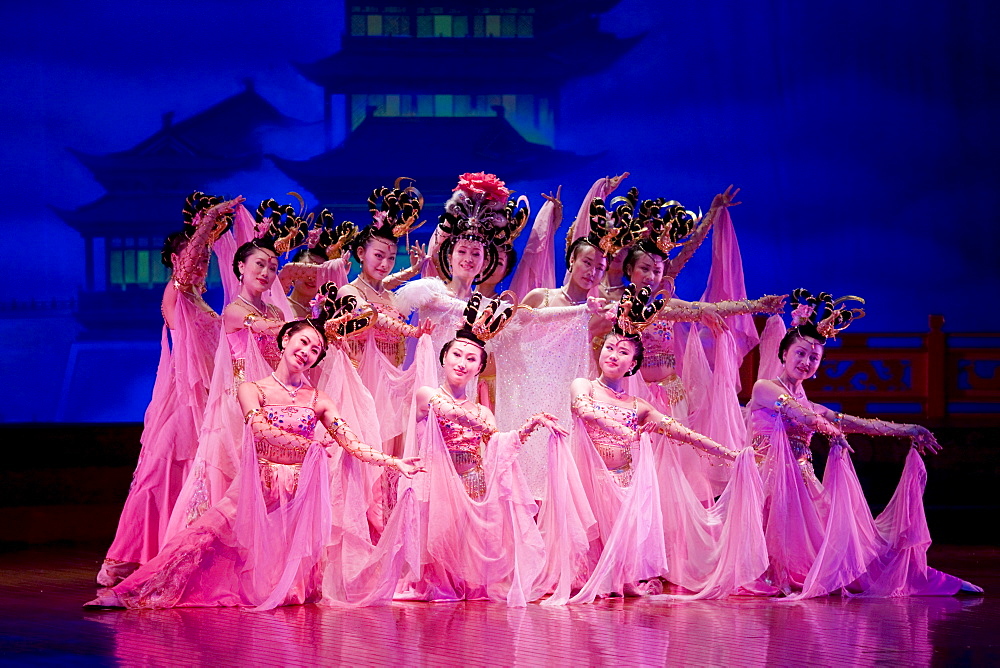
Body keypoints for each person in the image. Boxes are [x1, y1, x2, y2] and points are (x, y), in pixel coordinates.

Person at [85, 308, 423, 610]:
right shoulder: (254, 389)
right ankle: (132, 592)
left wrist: (395, 463)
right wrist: (310, 447)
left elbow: (352, 444)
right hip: (256, 489)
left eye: (315, 351)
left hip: (296, 499)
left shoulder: (319, 398)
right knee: (199, 541)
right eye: (302, 342)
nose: (306, 353)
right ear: (285, 339)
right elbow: (260, 430)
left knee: (289, 588)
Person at [747, 289, 982, 597]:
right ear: (783, 355)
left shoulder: (816, 406)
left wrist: (908, 429)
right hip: (766, 484)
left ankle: (925, 578)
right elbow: (797, 413)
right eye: (800, 353)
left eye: (814, 357)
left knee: (853, 549)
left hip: (803, 488)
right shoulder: (764, 388)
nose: (806, 362)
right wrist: (828, 429)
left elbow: (856, 422)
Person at [556, 287, 750, 602]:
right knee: (589, 572)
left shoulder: (638, 404)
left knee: (621, 576)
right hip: (588, 480)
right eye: (609, 347)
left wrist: (728, 454)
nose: (612, 355)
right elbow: (584, 411)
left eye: (622, 352)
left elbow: (681, 432)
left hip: (623, 484)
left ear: (633, 365)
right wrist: (624, 432)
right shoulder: (584, 386)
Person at [97, 193, 241, 586]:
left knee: (196, 477)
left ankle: (182, 550)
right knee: (160, 475)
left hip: (209, 400)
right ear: (177, 261)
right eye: (194, 257)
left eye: (205, 258)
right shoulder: (176, 296)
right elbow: (188, 267)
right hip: (183, 401)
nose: (201, 263)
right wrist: (208, 221)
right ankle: (125, 557)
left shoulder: (202, 302)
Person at [397, 293, 566, 605]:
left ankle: (465, 585)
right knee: (438, 541)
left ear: (478, 369)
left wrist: (533, 424)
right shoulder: (427, 394)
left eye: (471, 359)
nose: (462, 363)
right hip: (437, 481)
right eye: (457, 355)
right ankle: (433, 586)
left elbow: (499, 444)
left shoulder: (483, 411)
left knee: (465, 549)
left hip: (473, 481)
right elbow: (450, 413)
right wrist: (486, 427)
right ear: (444, 358)